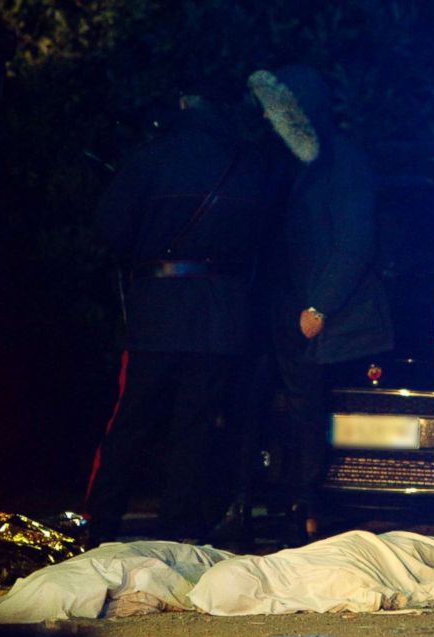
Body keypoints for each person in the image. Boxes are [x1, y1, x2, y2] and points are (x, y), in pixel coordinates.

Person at [84, 88, 276, 545]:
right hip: (220, 313)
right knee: (195, 425)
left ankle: (103, 523)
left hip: (158, 308)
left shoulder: (151, 158)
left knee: (133, 420)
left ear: (184, 104)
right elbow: (264, 240)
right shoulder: (247, 165)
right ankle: (179, 530)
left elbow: (108, 229)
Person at [248, 65, 394, 542]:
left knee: (307, 406)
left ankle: (303, 506)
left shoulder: (344, 162)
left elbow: (355, 241)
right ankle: (264, 499)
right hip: (278, 304)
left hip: (308, 311)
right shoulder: (284, 163)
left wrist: (320, 307)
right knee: (269, 404)